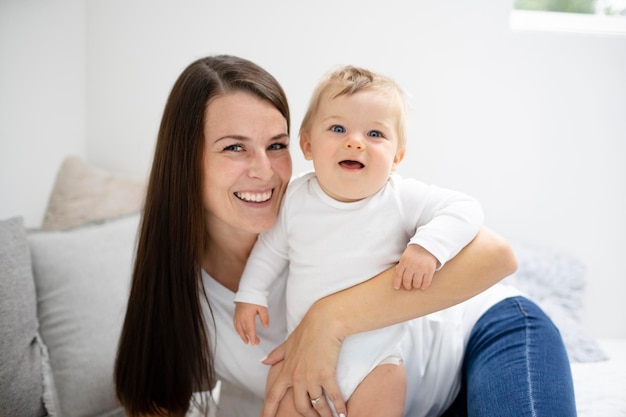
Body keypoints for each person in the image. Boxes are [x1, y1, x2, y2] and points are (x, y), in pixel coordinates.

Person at [113, 54, 577, 417]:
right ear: (185, 160)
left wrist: (328, 320)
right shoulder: (180, 299)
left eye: (276, 146)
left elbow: (498, 256)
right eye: (235, 147)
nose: (264, 171)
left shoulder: (329, 208)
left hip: (484, 339)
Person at [232, 65, 485, 417]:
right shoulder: (296, 198)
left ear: (397, 157)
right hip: (303, 353)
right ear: (306, 144)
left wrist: (428, 246)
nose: (355, 141)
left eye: (375, 134)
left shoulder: (400, 198)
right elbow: (271, 250)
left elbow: (466, 209)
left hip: (377, 361)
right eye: (338, 128)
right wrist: (250, 293)